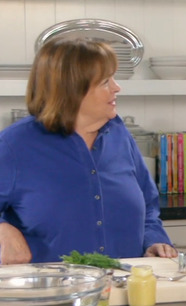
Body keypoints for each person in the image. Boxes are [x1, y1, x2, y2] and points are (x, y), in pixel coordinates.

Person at [0, 37, 176, 264]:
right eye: (105, 82)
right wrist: (3, 229)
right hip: (51, 294)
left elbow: (149, 207)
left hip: (125, 290)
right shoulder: (15, 145)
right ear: (71, 89)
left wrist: (153, 241)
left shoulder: (120, 136)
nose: (117, 87)